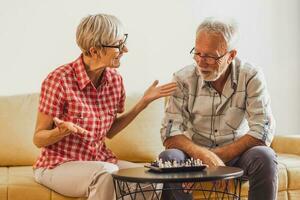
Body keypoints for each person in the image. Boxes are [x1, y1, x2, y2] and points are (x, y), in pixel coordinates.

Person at [32, 13, 177, 200]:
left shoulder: (115, 81)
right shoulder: (59, 80)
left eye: (123, 41)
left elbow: (110, 132)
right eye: (118, 45)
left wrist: (142, 103)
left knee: (151, 176)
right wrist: (60, 132)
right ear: (94, 51)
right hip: (57, 165)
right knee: (106, 173)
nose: (125, 49)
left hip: (99, 160)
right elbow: (38, 138)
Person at [159, 17, 278, 200]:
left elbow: (263, 129)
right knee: (169, 157)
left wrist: (215, 157)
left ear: (230, 55)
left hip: (238, 155)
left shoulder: (251, 76)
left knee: (265, 156)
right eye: (197, 53)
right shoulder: (183, 79)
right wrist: (202, 156)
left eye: (210, 56)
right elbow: (170, 133)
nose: (201, 61)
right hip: (194, 156)